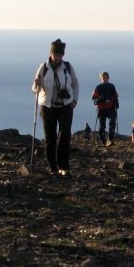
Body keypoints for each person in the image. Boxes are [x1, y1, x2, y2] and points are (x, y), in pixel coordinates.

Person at [31, 39, 80, 176]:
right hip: (48, 107)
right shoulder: (44, 67)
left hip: (65, 106)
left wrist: (74, 101)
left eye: (60, 54)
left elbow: (75, 84)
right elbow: (35, 88)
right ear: (51, 53)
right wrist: (37, 84)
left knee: (64, 136)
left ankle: (63, 166)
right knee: (50, 137)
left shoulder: (67, 67)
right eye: (55, 54)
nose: (58, 57)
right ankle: (53, 167)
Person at [92, 71, 120, 146]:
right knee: (102, 126)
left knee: (112, 122)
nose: (104, 79)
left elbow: (115, 97)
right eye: (103, 77)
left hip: (111, 107)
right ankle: (103, 141)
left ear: (108, 78)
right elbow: (94, 100)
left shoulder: (112, 86)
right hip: (101, 108)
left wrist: (116, 103)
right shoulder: (98, 87)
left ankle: (110, 139)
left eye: (106, 77)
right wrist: (100, 99)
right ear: (101, 79)